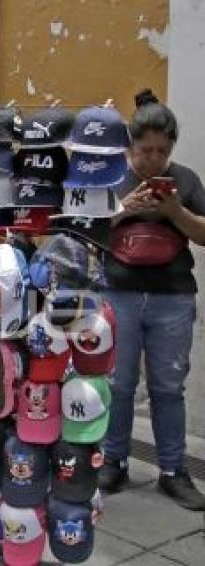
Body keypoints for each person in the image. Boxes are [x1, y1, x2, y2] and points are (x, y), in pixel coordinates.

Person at [99, 89, 205, 511]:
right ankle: (113, 461)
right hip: (118, 293)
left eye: (162, 151)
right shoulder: (110, 178)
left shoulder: (186, 179)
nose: (153, 160)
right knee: (118, 385)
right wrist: (124, 209)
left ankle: (173, 471)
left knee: (168, 387)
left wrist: (175, 211)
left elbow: (202, 234)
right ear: (130, 146)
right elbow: (85, 231)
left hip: (173, 297)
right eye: (144, 151)